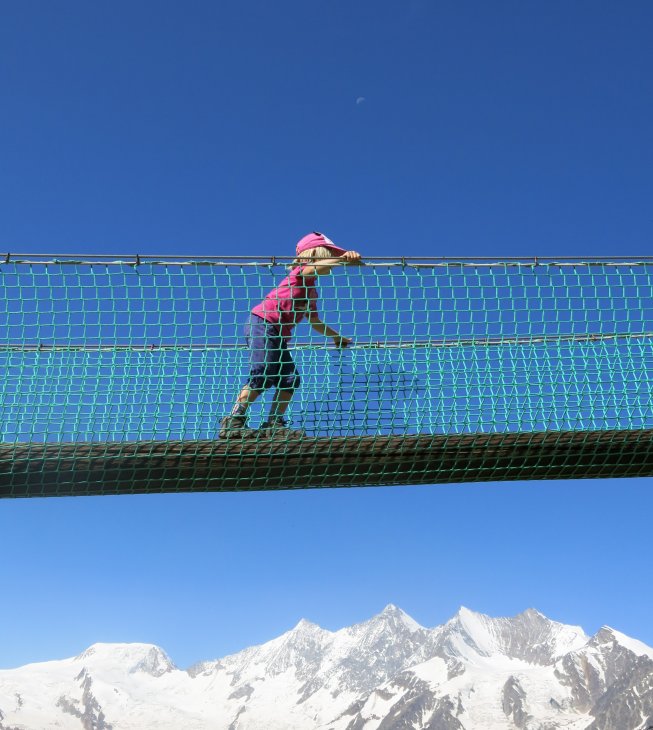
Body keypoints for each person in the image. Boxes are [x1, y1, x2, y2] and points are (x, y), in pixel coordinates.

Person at [219, 232, 363, 438]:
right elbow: (315, 267)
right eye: (328, 255)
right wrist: (343, 258)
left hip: (278, 335)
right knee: (264, 371)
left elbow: (314, 321)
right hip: (263, 323)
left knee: (290, 378)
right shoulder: (299, 274)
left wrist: (335, 337)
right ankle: (233, 420)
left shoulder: (311, 291)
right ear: (314, 254)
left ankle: (273, 424)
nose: (331, 263)